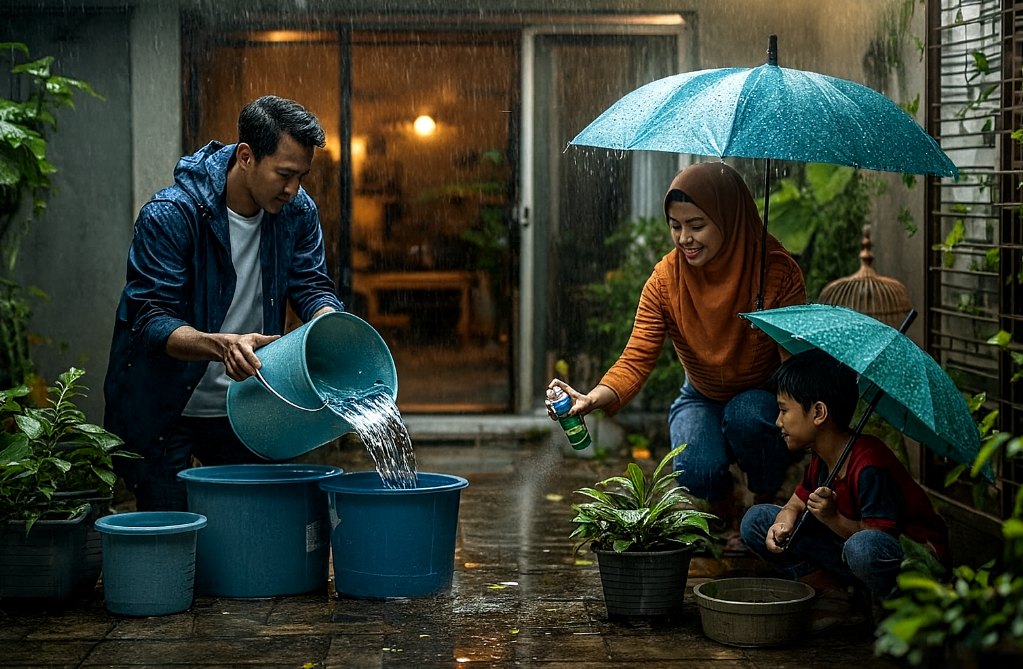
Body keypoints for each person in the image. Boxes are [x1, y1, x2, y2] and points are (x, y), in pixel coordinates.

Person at [103, 95, 343, 511]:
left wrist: (328, 323)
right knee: (173, 541)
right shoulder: (170, 215)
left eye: (301, 176)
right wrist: (223, 345)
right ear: (246, 156)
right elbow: (151, 319)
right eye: (284, 174)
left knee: (251, 537)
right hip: (166, 409)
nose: (293, 189)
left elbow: (311, 285)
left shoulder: (297, 213)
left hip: (248, 406)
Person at [547, 162, 806, 538]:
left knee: (749, 415)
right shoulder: (666, 280)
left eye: (696, 225)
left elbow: (793, 367)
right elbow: (636, 357)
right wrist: (590, 400)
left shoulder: (776, 271)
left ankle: (762, 502)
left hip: (763, 399)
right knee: (694, 467)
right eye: (675, 225)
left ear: (730, 219)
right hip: (700, 395)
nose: (684, 238)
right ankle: (724, 509)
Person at [740, 349, 950, 623]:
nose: (778, 421)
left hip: (910, 560)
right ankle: (834, 592)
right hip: (852, 552)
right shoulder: (822, 458)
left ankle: (903, 611)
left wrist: (832, 517)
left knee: (862, 548)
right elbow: (794, 504)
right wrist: (783, 523)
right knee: (756, 521)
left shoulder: (870, 466)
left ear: (818, 412)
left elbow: (876, 541)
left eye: (783, 410)